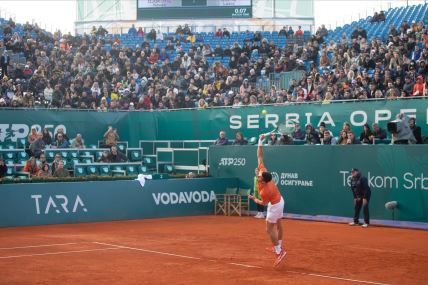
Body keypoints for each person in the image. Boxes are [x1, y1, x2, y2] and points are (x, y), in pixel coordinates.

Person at [248, 134, 287, 267]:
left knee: (269, 229)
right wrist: (260, 140)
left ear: (263, 180)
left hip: (274, 205)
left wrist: (254, 198)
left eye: (259, 176)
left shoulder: (265, 191)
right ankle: (279, 246)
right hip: (280, 200)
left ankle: (278, 251)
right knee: (278, 224)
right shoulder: (263, 172)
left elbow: (263, 203)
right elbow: (259, 155)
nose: (258, 174)